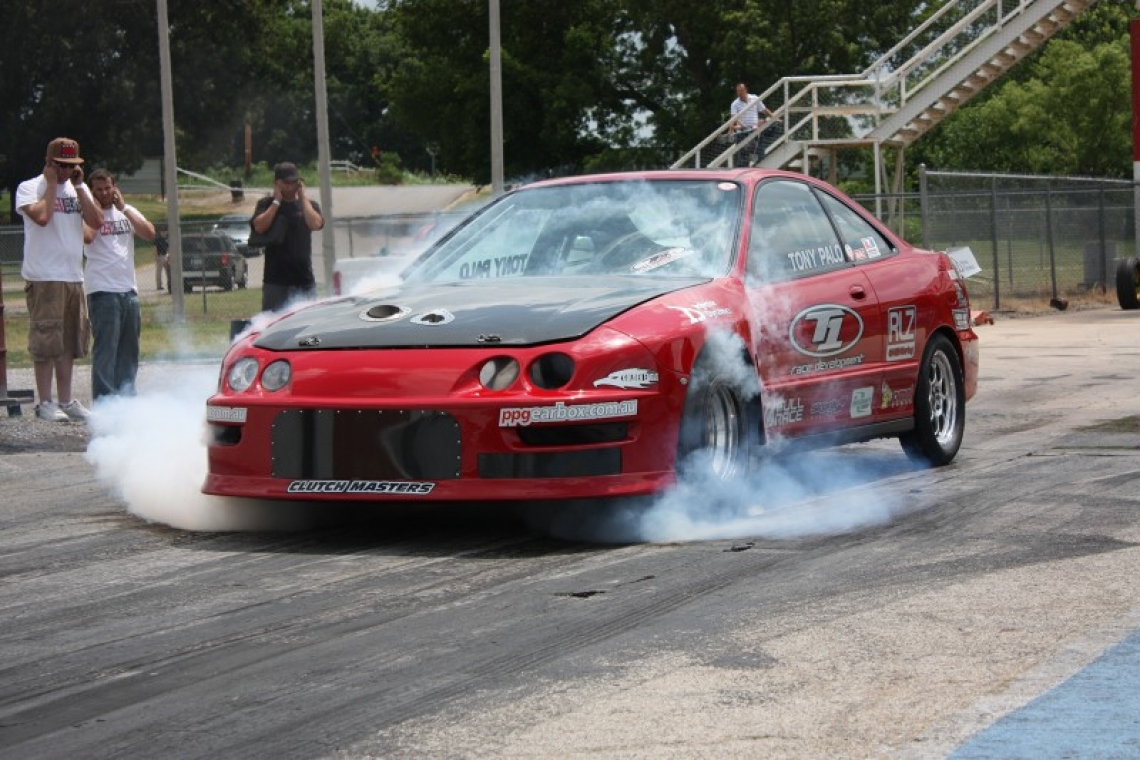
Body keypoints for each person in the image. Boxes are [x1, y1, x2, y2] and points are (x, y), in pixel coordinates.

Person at [15, 137, 103, 422]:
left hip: (72, 275)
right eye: (62, 166)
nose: (67, 171)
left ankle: (66, 400)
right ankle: (45, 402)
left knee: (68, 342)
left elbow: (96, 223)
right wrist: (52, 184)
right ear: (49, 162)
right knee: (46, 341)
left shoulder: (78, 189)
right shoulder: (30, 188)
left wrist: (79, 187)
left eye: (72, 166)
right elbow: (41, 217)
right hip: (44, 277)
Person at [83, 169, 156, 401]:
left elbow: (150, 233)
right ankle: (105, 401)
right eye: (98, 190)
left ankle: (127, 397)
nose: (104, 193)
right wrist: (94, 209)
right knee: (106, 350)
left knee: (129, 350)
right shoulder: (87, 215)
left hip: (128, 290)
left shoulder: (126, 212)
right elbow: (88, 237)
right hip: (102, 290)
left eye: (107, 188)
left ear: (115, 188)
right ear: (91, 192)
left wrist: (124, 208)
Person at [251, 162, 324, 312]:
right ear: (277, 183)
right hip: (276, 281)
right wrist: (276, 202)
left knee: (308, 323)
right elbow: (259, 226)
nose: (290, 187)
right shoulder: (266, 204)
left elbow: (315, 224)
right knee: (272, 324)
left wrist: (303, 198)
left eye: (294, 182)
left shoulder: (309, 205)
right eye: (286, 183)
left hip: (304, 279)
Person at [729, 82, 775, 167]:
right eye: (738, 91)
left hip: (755, 131)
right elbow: (733, 119)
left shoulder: (754, 98)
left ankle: (757, 172)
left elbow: (764, 110)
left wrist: (774, 117)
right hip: (743, 133)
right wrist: (731, 131)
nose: (740, 93)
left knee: (760, 154)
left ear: (745, 90)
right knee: (743, 159)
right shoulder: (735, 104)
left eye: (741, 91)